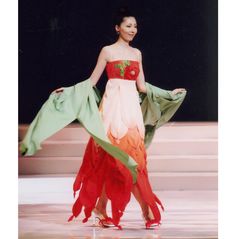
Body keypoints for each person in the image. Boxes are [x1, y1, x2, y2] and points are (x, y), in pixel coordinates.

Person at [20, 8, 187, 230]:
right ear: (117, 28)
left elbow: (141, 86)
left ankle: (118, 209)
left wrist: (169, 94)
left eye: (135, 26)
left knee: (133, 161)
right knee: (112, 161)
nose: (133, 30)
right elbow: (91, 81)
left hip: (130, 112)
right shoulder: (107, 51)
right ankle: (130, 211)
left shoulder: (137, 53)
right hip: (111, 110)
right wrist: (68, 91)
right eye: (128, 25)